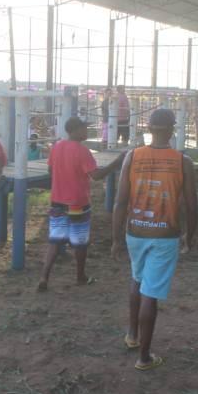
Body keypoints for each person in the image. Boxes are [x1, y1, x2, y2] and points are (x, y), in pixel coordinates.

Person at [111, 108, 198, 371]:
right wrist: (189, 236)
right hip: (165, 236)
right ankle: (144, 358)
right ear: (173, 129)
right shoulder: (183, 161)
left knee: (137, 280)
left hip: (134, 232)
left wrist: (116, 238)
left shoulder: (132, 156)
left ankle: (132, 335)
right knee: (151, 294)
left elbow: (120, 201)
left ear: (148, 128)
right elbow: (192, 206)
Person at [37, 117, 126, 292]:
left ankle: (44, 276)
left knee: (55, 240)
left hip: (57, 201)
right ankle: (80, 276)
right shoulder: (83, 151)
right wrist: (117, 162)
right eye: (85, 129)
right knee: (80, 241)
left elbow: (50, 170)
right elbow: (96, 176)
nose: (87, 132)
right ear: (76, 130)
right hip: (78, 202)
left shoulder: (56, 147)